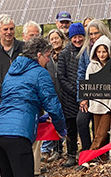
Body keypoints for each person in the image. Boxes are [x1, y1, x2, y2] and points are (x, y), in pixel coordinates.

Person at [0, 37, 67, 177]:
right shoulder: (40, 73)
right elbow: (53, 105)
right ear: (39, 56)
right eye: (47, 56)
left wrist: (42, 119)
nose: (49, 60)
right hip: (18, 134)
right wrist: (61, 129)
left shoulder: (11, 72)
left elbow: (16, 105)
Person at [77, 20, 110, 157]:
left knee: (103, 129)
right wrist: (83, 97)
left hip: (108, 100)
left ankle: (92, 154)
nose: (93, 36)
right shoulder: (86, 52)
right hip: (92, 97)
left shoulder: (110, 47)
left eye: (96, 33)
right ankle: (90, 151)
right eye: (90, 34)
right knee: (84, 122)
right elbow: (82, 75)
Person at [57, 23, 86, 168]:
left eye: (80, 36)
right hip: (69, 98)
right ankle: (71, 155)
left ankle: (87, 153)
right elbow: (61, 77)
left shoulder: (88, 51)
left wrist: (84, 93)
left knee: (85, 126)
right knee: (71, 128)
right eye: (75, 37)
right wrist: (76, 93)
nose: (78, 40)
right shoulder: (64, 53)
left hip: (87, 96)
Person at [41, 29, 68, 162]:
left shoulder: (67, 53)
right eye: (52, 39)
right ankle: (57, 149)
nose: (54, 41)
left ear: (62, 38)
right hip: (52, 92)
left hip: (66, 93)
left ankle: (68, 148)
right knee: (53, 121)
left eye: (56, 38)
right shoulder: (48, 57)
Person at [85, 35, 111, 160]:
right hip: (96, 104)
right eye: (99, 51)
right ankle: (101, 156)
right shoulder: (92, 66)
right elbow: (88, 83)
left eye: (104, 51)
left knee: (102, 133)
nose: (101, 54)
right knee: (96, 132)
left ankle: (90, 154)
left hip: (108, 104)